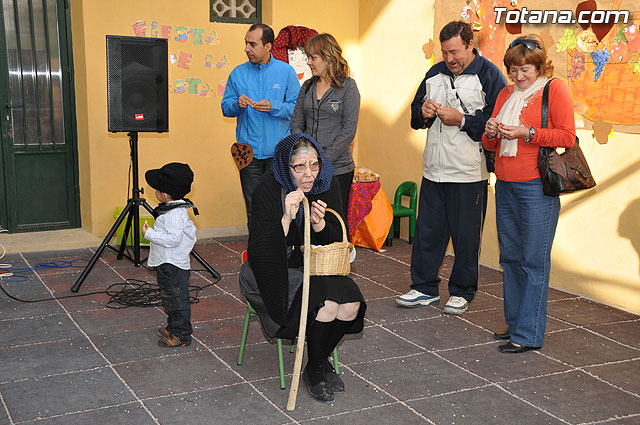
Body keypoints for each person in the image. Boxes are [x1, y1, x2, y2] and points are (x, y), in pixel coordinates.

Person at [239, 133, 366, 403]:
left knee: (351, 305)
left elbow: (337, 238)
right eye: (300, 167)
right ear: (286, 166)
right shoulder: (267, 189)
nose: (309, 174)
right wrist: (286, 218)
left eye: (314, 164)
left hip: (317, 265)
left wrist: (320, 225)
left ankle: (315, 362)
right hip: (274, 270)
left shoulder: (326, 183)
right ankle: (317, 370)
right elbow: (261, 250)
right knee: (327, 306)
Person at [396, 21, 507, 315]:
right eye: (445, 52)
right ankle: (424, 288)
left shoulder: (490, 75)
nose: (449, 59)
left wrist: (462, 120)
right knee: (427, 233)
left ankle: (462, 291)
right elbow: (414, 116)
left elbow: (496, 124)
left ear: (470, 45)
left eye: (455, 52)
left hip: (469, 173)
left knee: (466, 237)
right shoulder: (434, 73)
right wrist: (423, 112)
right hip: (433, 169)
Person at [482, 35, 575, 353]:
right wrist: (490, 132)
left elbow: (567, 137)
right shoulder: (505, 94)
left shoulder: (554, 89)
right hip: (505, 184)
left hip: (537, 187)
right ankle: (515, 324)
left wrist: (528, 133)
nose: (518, 76)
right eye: (513, 70)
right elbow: (489, 144)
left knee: (533, 261)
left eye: (525, 70)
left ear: (540, 67)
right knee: (510, 258)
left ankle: (528, 334)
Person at [221, 23, 300, 228]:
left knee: (279, 207)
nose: (246, 48)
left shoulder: (286, 72)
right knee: (253, 208)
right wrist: (236, 104)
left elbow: (297, 108)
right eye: (246, 43)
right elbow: (225, 108)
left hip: (278, 154)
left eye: (252, 44)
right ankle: (256, 247)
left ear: (268, 47)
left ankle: (280, 246)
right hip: (247, 155)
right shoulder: (237, 73)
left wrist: (275, 107)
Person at [290, 33, 360, 223]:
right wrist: (306, 158)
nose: (308, 62)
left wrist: (322, 161)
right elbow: (296, 123)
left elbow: (348, 130)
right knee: (308, 219)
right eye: (308, 57)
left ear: (328, 58)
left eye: (313, 57)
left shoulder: (348, 87)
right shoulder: (307, 87)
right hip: (308, 171)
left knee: (334, 221)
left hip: (338, 169)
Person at [142, 162, 198, 347]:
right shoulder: (173, 209)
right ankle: (173, 327)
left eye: (157, 189)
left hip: (172, 264)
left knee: (176, 300)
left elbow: (173, 239)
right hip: (167, 262)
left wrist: (149, 234)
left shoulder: (174, 215)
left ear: (165, 194)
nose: (155, 191)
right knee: (170, 297)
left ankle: (181, 334)